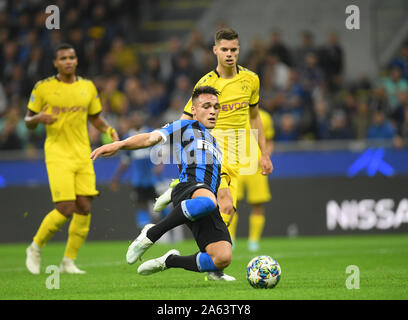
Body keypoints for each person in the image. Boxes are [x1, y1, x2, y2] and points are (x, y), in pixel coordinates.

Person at [153, 27, 274, 280]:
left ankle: (210, 266)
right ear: (215, 50)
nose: (229, 54)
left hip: (239, 154)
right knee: (225, 204)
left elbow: (254, 117)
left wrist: (263, 154)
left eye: (234, 49)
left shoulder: (251, 80)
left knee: (226, 214)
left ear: (238, 50)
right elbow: (186, 119)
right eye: (225, 49)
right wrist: (182, 156)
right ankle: (181, 186)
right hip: (213, 152)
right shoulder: (206, 84)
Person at [91, 86, 235, 280]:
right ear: (193, 110)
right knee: (208, 202)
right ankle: (152, 233)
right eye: (206, 106)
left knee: (223, 257)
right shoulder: (184, 126)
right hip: (190, 189)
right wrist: (119, 144)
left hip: (203, 198)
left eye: (216, 107)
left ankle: (170, 261)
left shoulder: (214, 141)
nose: (212, 111)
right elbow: (151, 138)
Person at [24, 43, 119, 275]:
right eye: (63, 58)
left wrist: (108, 130)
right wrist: (39, 118)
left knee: (84, 207)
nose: (68, 61)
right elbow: (27, 121)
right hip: (57, 154)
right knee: (65, 207)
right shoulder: (43, 87)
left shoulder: (87, 87)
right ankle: (35, 247)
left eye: (72, 57)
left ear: (77, 61)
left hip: (83, 153)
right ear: (56, 63)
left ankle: (68, 261)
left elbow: (95, 118)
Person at [237, 108, 274, 252]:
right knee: (231, 203)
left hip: (256, 166)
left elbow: (269, 140)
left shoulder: (264, 116)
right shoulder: (233, 114)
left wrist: (266, 157)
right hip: (236, 165)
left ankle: (254, 241)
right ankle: (230, 239)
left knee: (258, 204)